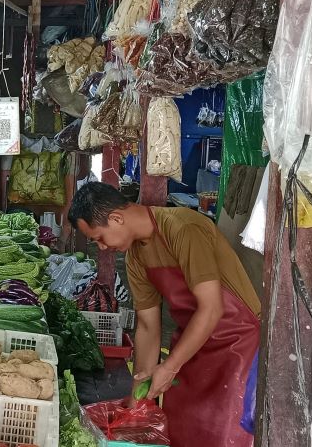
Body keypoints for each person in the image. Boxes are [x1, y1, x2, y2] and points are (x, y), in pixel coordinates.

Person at [68, 182, 260, 447]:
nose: (101, 247)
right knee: (180, 427)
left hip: (237, 345)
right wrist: (138, 398)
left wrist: (170, 366)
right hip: (192, 347)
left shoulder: (183, 228)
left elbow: (212, 307)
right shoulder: (136, 256)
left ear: (116, 218)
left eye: (99, 238)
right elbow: (147, 326)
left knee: (223, 433)